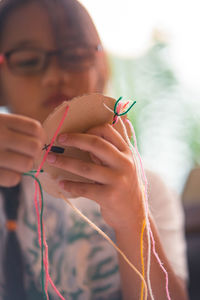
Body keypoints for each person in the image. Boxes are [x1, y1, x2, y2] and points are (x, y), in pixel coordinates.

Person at [0, 0, 188, 299]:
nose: (54, 76)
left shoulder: (149, 190)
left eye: (74, 56)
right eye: (26, 60)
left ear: (100, 67)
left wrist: (132, 217)